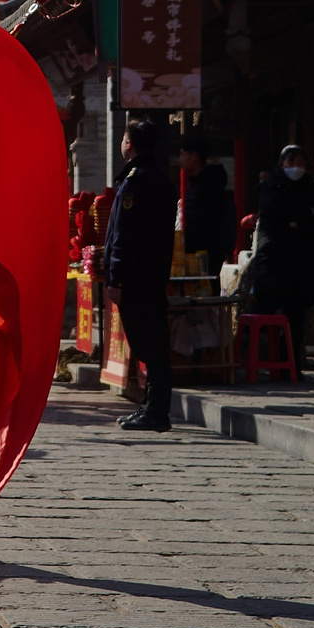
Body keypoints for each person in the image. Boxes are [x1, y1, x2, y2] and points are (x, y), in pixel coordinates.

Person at [104, 118, 176, 431]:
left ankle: (156, 411)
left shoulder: (136, 182)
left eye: (123, 137)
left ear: (129, 144)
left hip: (136, 278)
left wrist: (116, 278)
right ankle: (150, 407)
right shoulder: (161, 179)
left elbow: (124, 235)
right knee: (153, 343)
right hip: (154, 274)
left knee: (150, 345)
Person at [246, 144, 314, 357]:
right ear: (282, 164)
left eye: (300, 163)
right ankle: (259, 359)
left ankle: (291, 363)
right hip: (273, 261)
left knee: (296, 317)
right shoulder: (271, 185)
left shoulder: (311, 187)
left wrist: (298, 218)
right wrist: (302, 214)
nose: (296, 168)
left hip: (302, 263)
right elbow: (272, 210)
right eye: (291, 163)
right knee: (265, 311)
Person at [175, 132, 234, 272]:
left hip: (206, 254)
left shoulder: (210, 186)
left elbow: (205, 224)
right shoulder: (197, 183)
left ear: (195, 157)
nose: (179, 159)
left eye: (183, 154)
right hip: (196, 252)